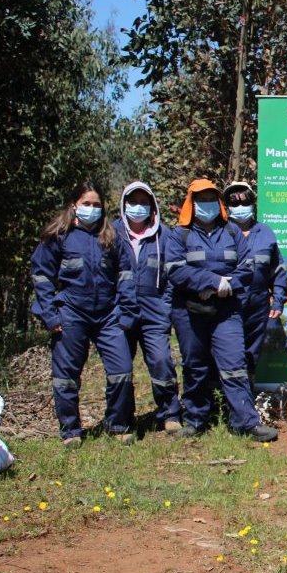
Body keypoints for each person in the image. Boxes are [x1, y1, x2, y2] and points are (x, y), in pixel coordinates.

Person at [165, 179, 277, 442]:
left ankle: (246, 422)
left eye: (211, 199)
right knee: (195, 366)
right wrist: (212, 281)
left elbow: (247, 266)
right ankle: (194, 420)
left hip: (227, 310)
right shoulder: (179, 234)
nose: (207, 204)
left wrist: (225, 285)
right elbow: (175, 270)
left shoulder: (231, 232)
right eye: (201, 199)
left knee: (235, 364)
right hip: (190, 311)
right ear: (192, 203)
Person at [31, 182, 139, 448]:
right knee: (66, 375)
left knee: (122, 371)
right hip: (71, 313)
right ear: (74, 206)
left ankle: (117, 425)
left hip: (108, 315)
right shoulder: (59, 236)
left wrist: (126, 312)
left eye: (96, 205)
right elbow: (42, 275)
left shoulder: (112, 237)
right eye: (86, 204)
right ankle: (71, 430)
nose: (92, 209)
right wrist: (50, 314)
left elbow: (126, 275)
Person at [113, 180, 182, 433]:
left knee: (162, 361)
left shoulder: (164, 235)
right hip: (121, 312)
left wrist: (165, 307)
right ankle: (123, 418)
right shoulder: (112, 233)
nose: (138, 207)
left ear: (152, 206)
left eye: (144, 202)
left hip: (154, 313)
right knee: (120, 367)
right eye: (133, 202)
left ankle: (170, 413)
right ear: (124, 204)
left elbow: (172, 276)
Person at [224, 181, 287, 384]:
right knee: (230, 352)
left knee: (252, 352)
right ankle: (225, 399)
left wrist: (278, 298)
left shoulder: (266, 233)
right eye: (235, 202)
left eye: (245, 202)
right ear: (226, 206)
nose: (240, 207)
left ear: (253, 203)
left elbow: (277, 269)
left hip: (258, 304)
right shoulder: (220, 233)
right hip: (228, 303)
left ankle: (247, 393)